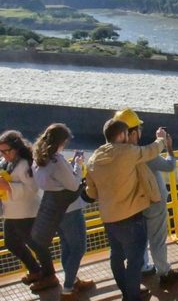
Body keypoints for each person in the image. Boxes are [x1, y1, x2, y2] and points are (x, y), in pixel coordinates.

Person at [85, 119, 166, 301]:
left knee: (116, 257)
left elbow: (91, 191)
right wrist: (160, 139)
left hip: (109, 219)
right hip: (131, 217)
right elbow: (151, 150)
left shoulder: (93, 159)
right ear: (122, 135)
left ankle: (127, 293)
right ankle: (133, 297)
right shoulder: (128, 152)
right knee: (135, 261)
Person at [113, 108, 178, 288]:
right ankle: (164, 272)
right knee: (157, 240)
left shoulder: (114, 155)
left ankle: (144, 267)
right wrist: (168, 146)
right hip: (154, 203)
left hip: (132, 205)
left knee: (140, 240)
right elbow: (169, 166)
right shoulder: (144, 154)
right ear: (133, 132)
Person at [32, 123, 95, 300]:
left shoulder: (38, 159)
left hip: (54, 209)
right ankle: (67, 288)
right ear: (62, 141)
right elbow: (74, 184)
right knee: (78, 248)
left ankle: (72, 280)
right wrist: (77, 165)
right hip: (70, 209)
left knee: (66, 246)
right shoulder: (57, 160)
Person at [0, 131, 45, 290]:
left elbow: (33, 188)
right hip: (11, 211)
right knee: (11, 242)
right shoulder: (5, 162)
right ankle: (35, 270)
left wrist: (9, 186)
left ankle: (47, 275)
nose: (4, 154)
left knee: (35, 244)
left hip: (26, 212)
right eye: (1, 151)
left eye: (6, 150)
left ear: (16, 148)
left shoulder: (26, 164)